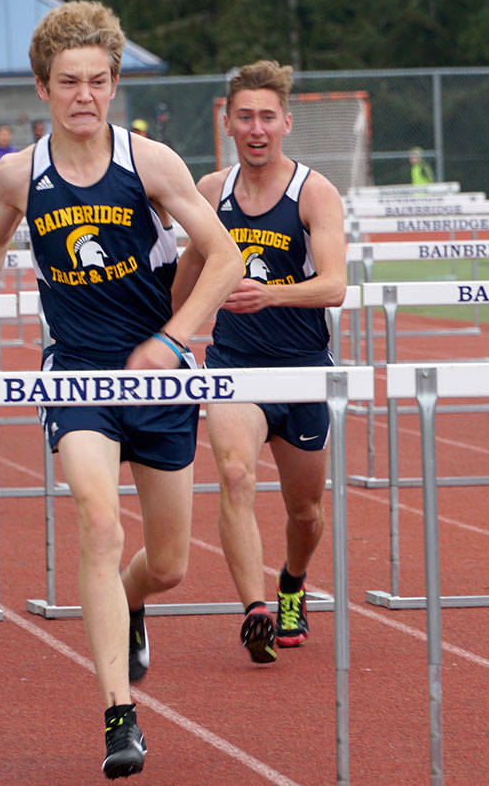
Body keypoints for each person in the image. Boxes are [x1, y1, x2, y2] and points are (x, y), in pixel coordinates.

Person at [0, 0, 242, 778]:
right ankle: (119, 716)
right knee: (99, 524)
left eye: (98, 81)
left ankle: (133, 602)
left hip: (158, 378)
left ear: (114, 84)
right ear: (43, 87)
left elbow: (225, 257)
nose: (85, 96)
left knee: (168, 564)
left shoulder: (151, 163)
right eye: (69, 81)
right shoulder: (20, 173)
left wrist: (172, 341)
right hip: (77, 374)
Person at [174, 59, 346, 664]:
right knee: (235, 474)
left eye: (267, 117)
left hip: (302, 368)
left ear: (286, 123)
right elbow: (188, 271)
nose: (256, 128)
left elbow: (334, 286)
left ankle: (292, 583)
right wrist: (166, 337)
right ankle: (255, 611)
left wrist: (269, 294)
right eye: (244, 116)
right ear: (226, 122)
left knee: (306, 511)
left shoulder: (314, 193)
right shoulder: (209, 192)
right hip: (233, 365)